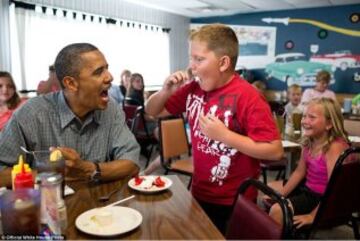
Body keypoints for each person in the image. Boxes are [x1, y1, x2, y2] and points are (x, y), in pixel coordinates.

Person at [145, 24, 284, 234]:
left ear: (223, 63)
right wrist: (166, 91)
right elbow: (152, 111)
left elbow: (274, 150)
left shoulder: (248, 96)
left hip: (234, 199)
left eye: (199, 59)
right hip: (201, 190)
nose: (192, 67)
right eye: (191, 59)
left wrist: (225, 136)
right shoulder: (194, 89)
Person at [0, 43, 140, 187]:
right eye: (98, 72)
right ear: (71, 83)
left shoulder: (112, 111)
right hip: (49, 205)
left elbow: (132, 162)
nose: (110, 77)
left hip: (103, 206)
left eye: (107, 69)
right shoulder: (31, 114)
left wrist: (90, 170)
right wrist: (52, 176)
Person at [268, 98, 349, 229]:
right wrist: (281, 195)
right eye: (304, 116)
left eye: (312, 117)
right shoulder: (309, 142)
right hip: (307, 188)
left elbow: (335, 188)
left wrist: (313, 215)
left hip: (321, 197)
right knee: (268, 191)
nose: (304, 121)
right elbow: (300, 172)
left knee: (277, 210)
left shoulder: (334, 147)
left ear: (329, 124)